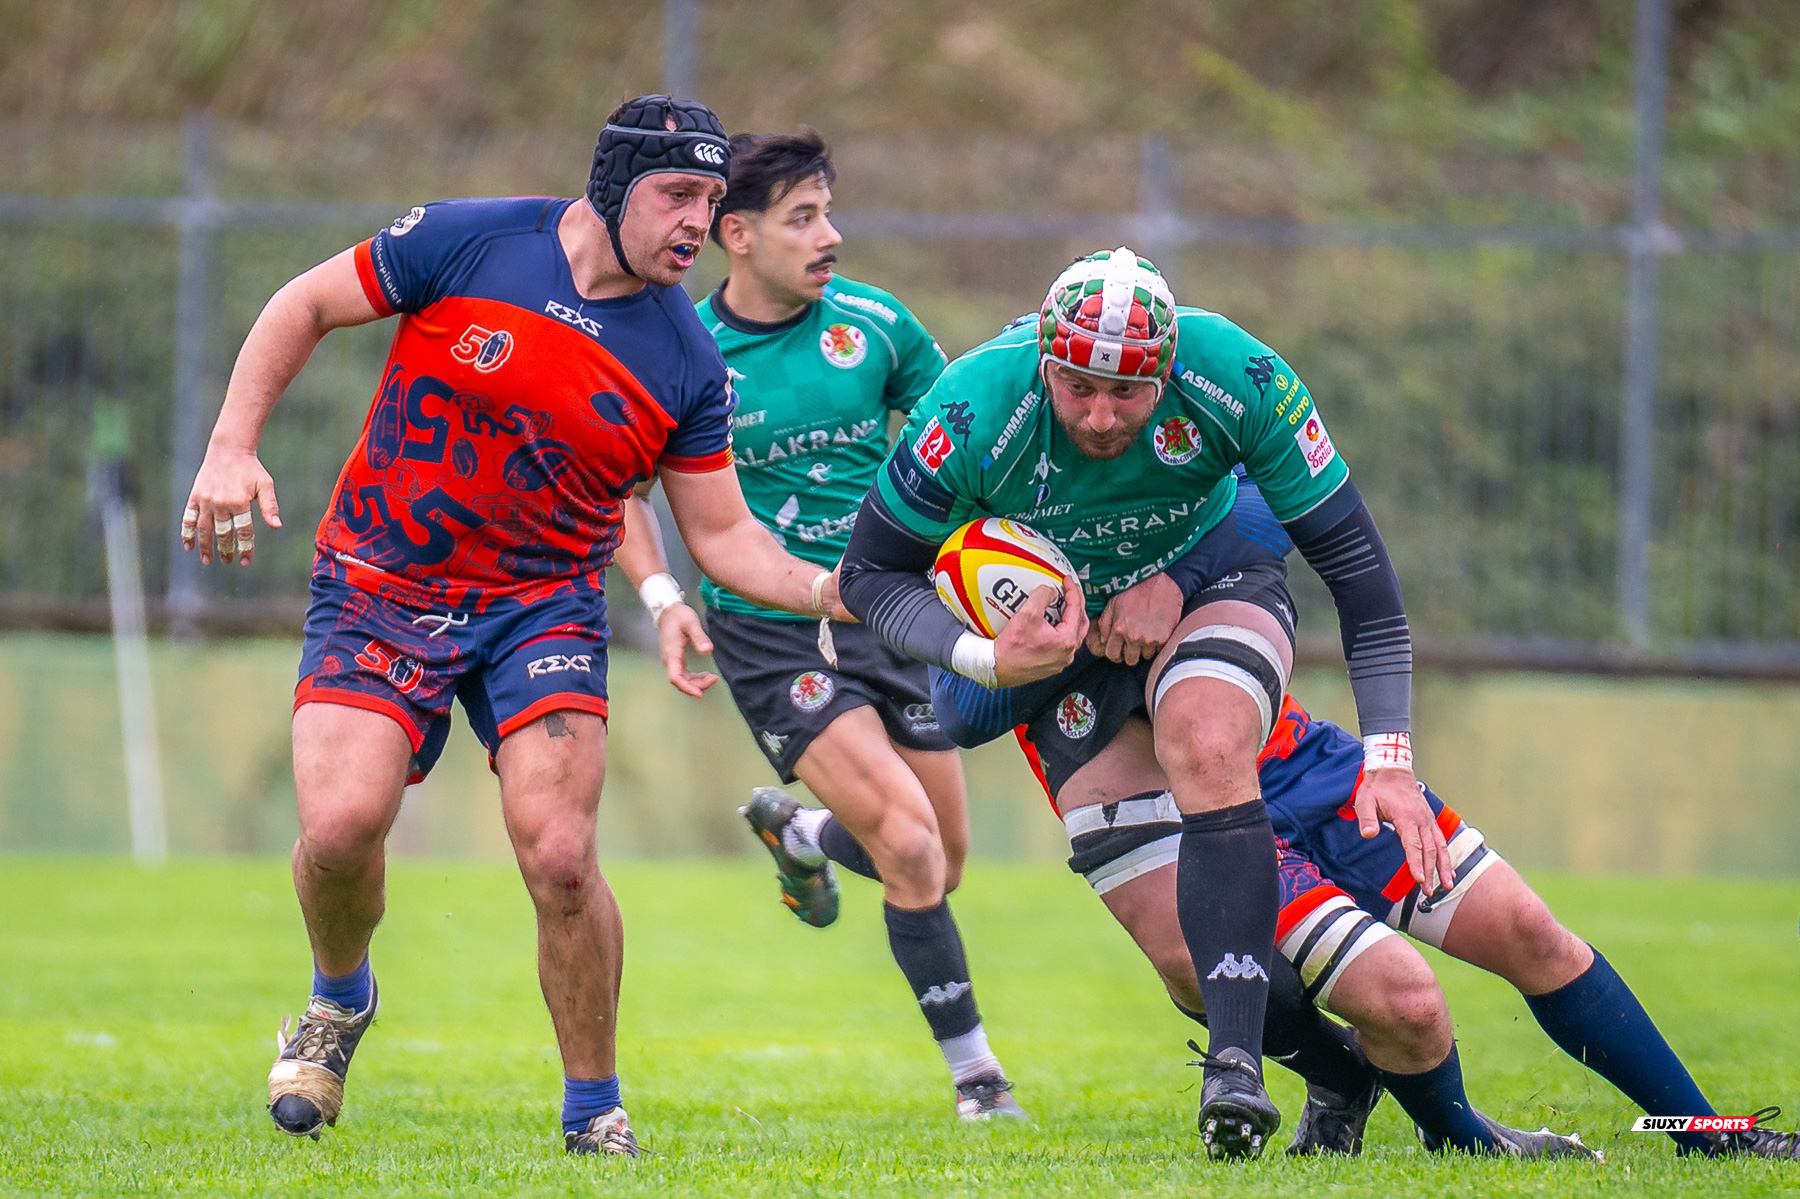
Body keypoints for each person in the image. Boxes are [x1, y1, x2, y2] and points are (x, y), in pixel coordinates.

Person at [179, 95, 851, 1159]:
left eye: (713, 201)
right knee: (344, 826)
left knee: (564, 857)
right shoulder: (467, 239)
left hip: (542, 605)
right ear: (616, 185)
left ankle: (595, 1109)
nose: (697, 221)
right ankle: (337, 999)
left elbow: (724, 538)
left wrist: (830, 589)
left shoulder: (686, 360)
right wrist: (230, 444)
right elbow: (302, 304)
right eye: (679, 193)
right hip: (379, 581)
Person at [836, 247, 1445, 1157]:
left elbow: (1352, 564)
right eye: (1079, 387)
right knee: (972, 726)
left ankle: (1237, 1067)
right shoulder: (972, 408)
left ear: (1166, 368)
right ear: (1045, 360)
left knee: (1208, 746)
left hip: (1204, 596)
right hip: (1063, 649)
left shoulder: (1234, 372)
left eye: (1130, 391)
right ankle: (1336, 1069)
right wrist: (986, 655)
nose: (1102, 414)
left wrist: (1391, 756)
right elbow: (868, 572)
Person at [614, 128, 1024, 1120]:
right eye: (805, 218)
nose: (829, 234)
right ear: (736, 234)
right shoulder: (685, 351)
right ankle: (979, 1080)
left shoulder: (877, 327)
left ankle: (798, 829)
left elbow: (958, 445)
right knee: (910, 845)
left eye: (830, 211)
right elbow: (624, 490)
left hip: (891, 610)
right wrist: (664, 597)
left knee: (944, 857)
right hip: (770, 629)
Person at [1049, 688, 1800, 1161]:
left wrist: (1389, 754)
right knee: (1408, 1002)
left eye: (1121, 415)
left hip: (1294, 757)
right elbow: (956, 696)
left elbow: (1277, 536)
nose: (1104, 421)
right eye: (1084, 416)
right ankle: (1459, 1135)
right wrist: (1019, 645)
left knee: (1530, 930)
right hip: (1187, 810)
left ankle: (1708, 1133)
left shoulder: (1200, 441)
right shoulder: (997, 484)